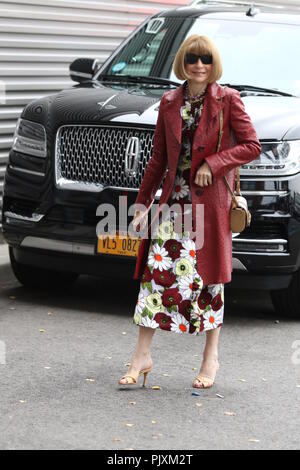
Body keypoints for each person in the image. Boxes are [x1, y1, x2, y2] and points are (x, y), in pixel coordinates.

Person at [118, 34, 261, 388]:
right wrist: (141, 202)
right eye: (193, 58)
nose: (200, 64)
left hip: (210, 206)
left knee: (208, 279)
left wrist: (213, 163)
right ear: (183, 61)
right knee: (157, 273)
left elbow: (251, 145)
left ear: (214, 64)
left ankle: (210, 357)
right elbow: (157, 160)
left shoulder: (228, 100)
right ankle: (142, 356)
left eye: (206, 59)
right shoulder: (169, 102)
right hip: (173, 203)